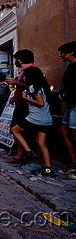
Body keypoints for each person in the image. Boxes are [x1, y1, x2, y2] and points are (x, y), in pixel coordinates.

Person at [10, 67, 55, 177]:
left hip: (35, 118)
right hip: (46, 119)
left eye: (25, 76)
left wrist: (26, 98)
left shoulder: (33, 86)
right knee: (41, 143)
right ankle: (48, 167)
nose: (23, 78)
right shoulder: (42, 86)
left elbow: (41, 103)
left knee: (15, 130)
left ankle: (28, 152)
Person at [6, 49, 39, 163]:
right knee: (14, 129)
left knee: (25, 131)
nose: (14, 61)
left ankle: (29, 154)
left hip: (27, 107)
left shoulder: (31, 70)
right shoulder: (23, 71)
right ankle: (21, 154)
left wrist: (15, 83)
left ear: (19, 60)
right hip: (20, 105)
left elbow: (31, 86)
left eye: (15, 59)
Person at [57, 41, 76, 176]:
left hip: (75, 105)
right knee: (63, 131)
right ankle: (73, 162)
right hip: (70, 105)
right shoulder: (70, 67)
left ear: (72, 52)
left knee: (74, 135)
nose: (61, 55)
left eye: (63, 52)